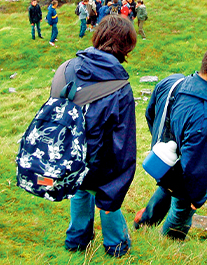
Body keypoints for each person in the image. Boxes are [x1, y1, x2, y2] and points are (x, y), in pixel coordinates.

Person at [134, 45, 207, 240]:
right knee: (182, 209)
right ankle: (168, 245)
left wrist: (162, 146)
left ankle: (144, 222)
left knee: (167, 185)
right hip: (181, 169)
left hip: (162, 158)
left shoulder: (171, 82)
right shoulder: (204, 114)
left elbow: (151, 113)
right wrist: (197, 198)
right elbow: (194, 164)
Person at [61, 15, 137, 257]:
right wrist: (119, 181)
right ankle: (115, 245)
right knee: (107, 194)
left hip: (68, 152)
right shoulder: (120, 86)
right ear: (126, 46)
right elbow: (123, 144)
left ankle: (76, 240)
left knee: (80, 189)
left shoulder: (68, 68)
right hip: (100, 162)